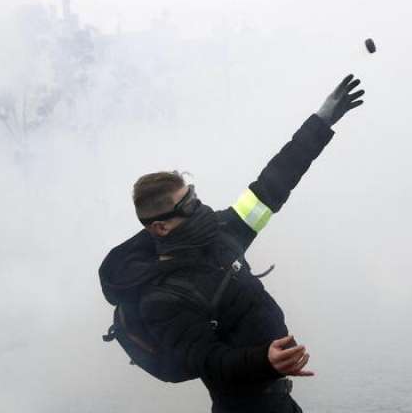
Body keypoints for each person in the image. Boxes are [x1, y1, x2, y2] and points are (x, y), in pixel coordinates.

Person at [99, 74, 366, 413]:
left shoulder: (221, 232)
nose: (200, 207)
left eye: (194, 195)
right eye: (189, 205)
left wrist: (322, 121)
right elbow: (206, 360)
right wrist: (264, 360)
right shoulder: (164, 295)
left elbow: (274, 184)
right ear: (161, 227)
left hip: (280, 401)